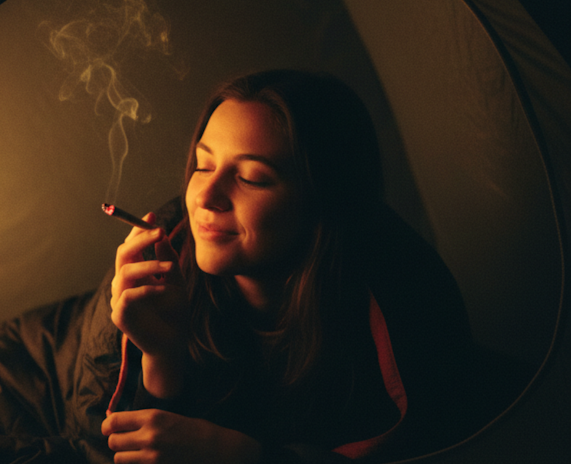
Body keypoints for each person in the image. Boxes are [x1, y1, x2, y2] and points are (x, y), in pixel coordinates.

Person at [100, 69, 472, 463]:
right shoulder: (161, 260)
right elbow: (112, 438)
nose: (206, 196)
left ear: (323, 200)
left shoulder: (405, 309)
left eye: (251, 178)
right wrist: (160, 356)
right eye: (203, 164)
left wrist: (248, 457)